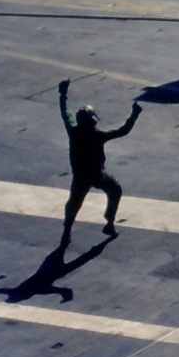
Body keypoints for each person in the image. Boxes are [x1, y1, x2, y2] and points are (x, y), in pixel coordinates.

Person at [57, 79, 141, 247]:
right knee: (115, 189)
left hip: (80, 175)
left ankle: (66, 232)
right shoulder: (97, 136)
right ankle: (109, 222)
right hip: (96, 174)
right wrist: (134, 114)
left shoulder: (73, 131)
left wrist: (63, 94)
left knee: (74, 203)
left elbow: (65, 113)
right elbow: (122, 131)